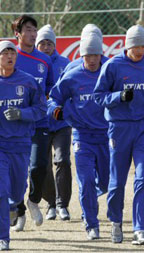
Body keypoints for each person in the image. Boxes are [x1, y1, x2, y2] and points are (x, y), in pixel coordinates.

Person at [93, 25, 144, 246]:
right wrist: (119, 97)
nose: (141, 51)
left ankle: (139, 229)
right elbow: (98, 96)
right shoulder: (113, 66)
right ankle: (115, 221)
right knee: (117, 181)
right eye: (137, 47)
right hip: (120, 128)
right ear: (128, 45)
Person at [48, 34, 109, 240]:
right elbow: (54, 98)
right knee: (86, 181)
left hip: (106, 135)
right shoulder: (72, 76)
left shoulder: (109, 74)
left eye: (95, 55)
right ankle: (91, 223)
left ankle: (93, 198)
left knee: (106, 182)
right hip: (82, 136)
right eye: (87, 55)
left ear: (101, 54)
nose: (91, 59)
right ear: (81, 55)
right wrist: (55, 109)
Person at [0, 40, 46, 251]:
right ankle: (3, 237)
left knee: (17, 191)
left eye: (12, 53)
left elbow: (40, 109)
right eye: (5, 53)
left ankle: (14, 205)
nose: (9, 56)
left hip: (21, 143)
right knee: (1, 190)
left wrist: (21, 113)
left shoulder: (27, 82)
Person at [11, 14, 54, 231]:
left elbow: (50, 89)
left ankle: (33, 201)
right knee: (15, 172)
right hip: (13, 126)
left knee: (39, 166)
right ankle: (18, 210)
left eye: (34, 30)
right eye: (27, 29)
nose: (33, 33)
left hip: (38, 122)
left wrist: (52, 105)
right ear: (17, 34)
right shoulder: (9, 56)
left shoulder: (45, 60)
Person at [35, 24, 72, 221]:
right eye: (42, 43)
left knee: (62, 160)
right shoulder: (33, 63)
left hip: (61, 123)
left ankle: (62, 204)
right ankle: (50, 202)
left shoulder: (65, 63)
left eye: (50, 43)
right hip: (40, 123)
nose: (46, 47)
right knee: (44, 165)